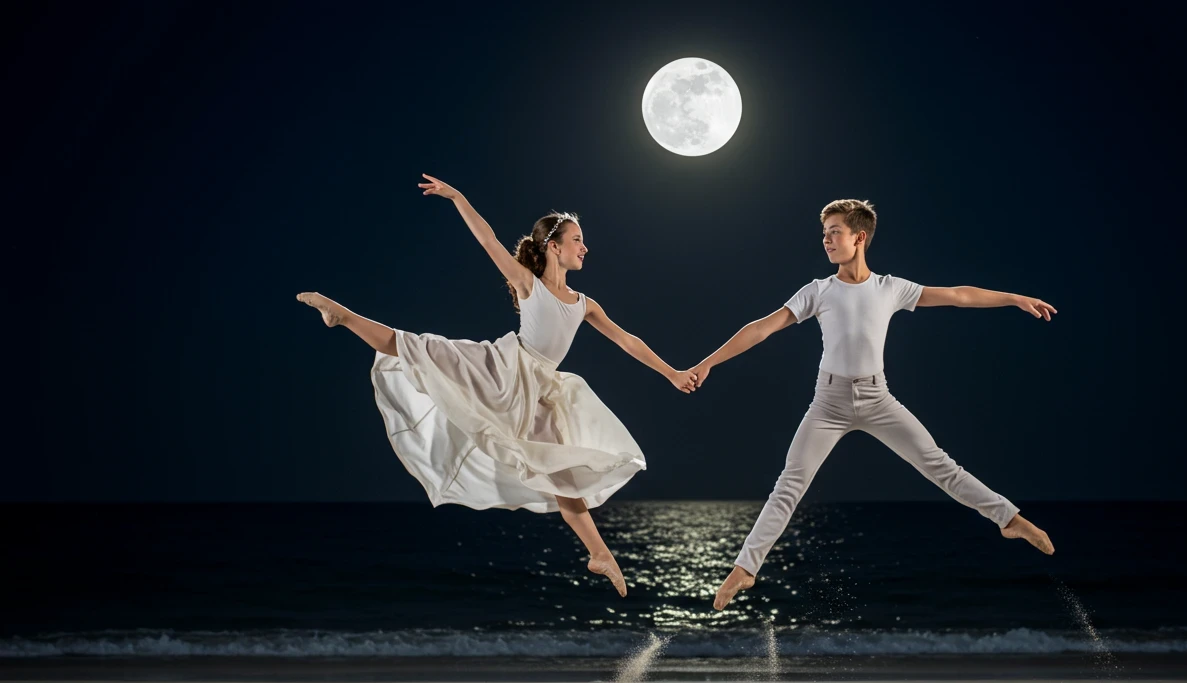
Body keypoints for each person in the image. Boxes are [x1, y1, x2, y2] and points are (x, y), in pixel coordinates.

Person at [297, 175, 697, 596]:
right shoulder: (530, 284)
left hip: (540, 392)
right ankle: (342, 314)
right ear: (553, 247)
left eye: (584, 241)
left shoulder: (584, 304)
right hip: (503, 368)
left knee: (559, 470)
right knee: (421, 349)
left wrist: (670, 372)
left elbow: (626, 340)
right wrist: (457, 197)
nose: (584, 247)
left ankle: (600, 554)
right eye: (577, 240)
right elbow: (488, 240)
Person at [691, 198, 1055, 610]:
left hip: (878, 398)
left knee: (940, 466)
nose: (826, 240)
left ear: (859, 237)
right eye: (824, 233)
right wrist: (708, 364)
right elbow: (761, 328)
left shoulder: (890, 288)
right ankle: (745, 568)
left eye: (835, 232)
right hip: (828, 403)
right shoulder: (818, 291)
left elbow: (958, 295)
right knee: (789, 485)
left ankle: (1009, 519)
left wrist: (1014, 298)